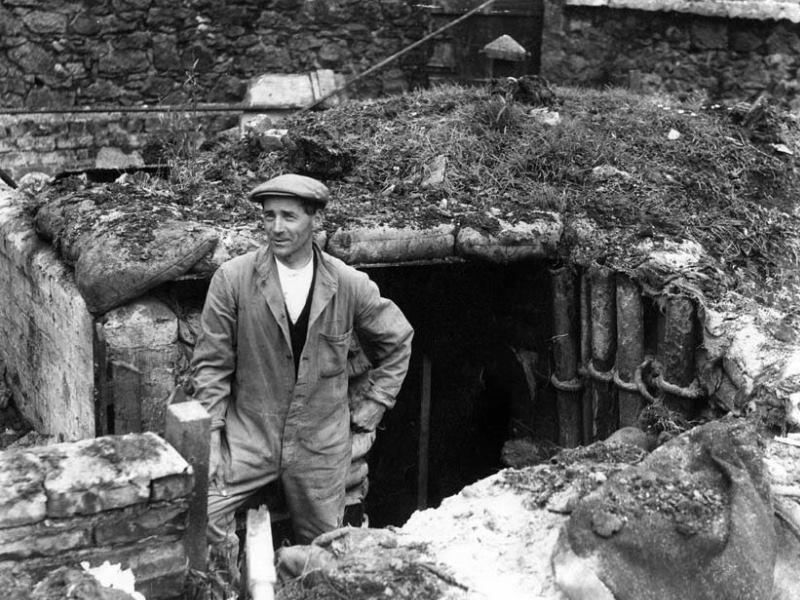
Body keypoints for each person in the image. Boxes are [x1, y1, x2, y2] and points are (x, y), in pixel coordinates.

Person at [190, 173, 413, 575]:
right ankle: (227, 584)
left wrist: (375, 404)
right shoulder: (234, 279)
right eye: (269, 216)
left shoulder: (347, 283)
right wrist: (211, 434)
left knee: (327, 548)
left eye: (289, 217)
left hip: (320, 442)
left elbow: (398, 340)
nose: (276, 227)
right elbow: (212, 363)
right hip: (251, 431)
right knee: (202, 512)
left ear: (314, 220)